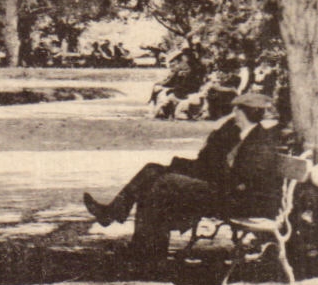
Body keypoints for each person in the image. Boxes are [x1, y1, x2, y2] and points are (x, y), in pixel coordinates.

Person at [83, 92, 282, 264]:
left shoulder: (260, 141)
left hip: (238, 201)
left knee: (163, 183)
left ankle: (147, 251)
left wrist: (199, 177)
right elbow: (209, 160)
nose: (233, 115)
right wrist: (215, 136)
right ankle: (117, 217)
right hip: (223, 191)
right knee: (152, 171)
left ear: (243, 112)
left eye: (236, 111)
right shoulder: (237, 133)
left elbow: (244, 179)